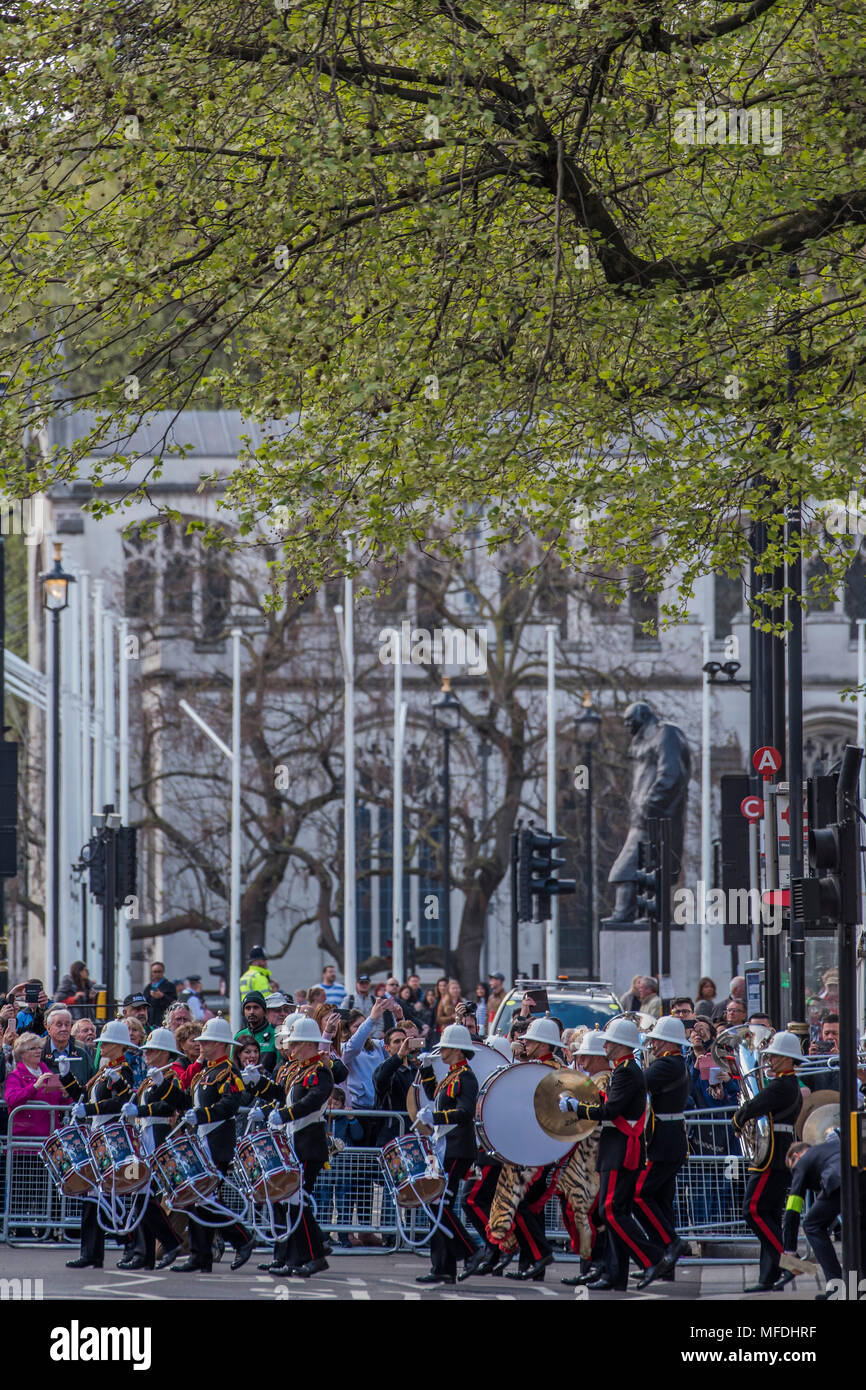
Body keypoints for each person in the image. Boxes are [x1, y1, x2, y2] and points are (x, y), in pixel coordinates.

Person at [560, 1015, 668, 1291]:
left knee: (610, 1210)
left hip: (619, 1148)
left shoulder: (625, 1071)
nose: (604, 1046)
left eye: (609, 1042)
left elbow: (610, 1111)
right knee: (611, 1211)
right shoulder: (624, 1069)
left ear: (620, 1045)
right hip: (615, 1147)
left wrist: (577, 1108)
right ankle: (615, 1272)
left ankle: (652, 1258)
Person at [262, 1016, 348, 1277]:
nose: (292, 1048)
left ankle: (314, 1255)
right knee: (293, 1203)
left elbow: (314, 1100)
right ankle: (298, 1257)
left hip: (308, 1144)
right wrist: (258, 1084)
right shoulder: (301, 1071)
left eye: (297, 1043)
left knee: (298, 1203)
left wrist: (286, 1115)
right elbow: (283, 1094)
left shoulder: (319, 1072)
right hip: (296, 1143)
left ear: (309, 1044)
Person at [57, 1018, 140, 1270]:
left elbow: (120, 1102)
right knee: (94, 1197)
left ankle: (132, 1245)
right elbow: (83, 1095)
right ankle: (92, 1251)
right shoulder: (105, 1070)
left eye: (107, 1043)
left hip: (111, 1137)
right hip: (98, 1136)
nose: (100, 1046)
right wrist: (66, 1076)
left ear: (119, 1046)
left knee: (110, 1196)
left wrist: (89, 1108)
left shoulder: (121, 1071)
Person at [174, 1016, 254, 1274]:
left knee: (206, 1199)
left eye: (206, 1042)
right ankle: (201, 1255)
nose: (201, 1045)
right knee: (199, 1199)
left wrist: (202, 1115)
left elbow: (230, 1104)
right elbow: (188, 1091)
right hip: (202, 1140)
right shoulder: (206, 1070)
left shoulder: (228, 1071)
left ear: (220, 1044)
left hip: (217, 1140)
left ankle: (241, 1237)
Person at [733, 1030, 804, 1293]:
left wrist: (738, 1118)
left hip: (772, 1156)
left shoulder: (782, 1085)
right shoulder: (786, 1083)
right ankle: (769, 1277)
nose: (770, 1060)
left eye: (774, 1056)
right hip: (776, 1153)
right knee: (769, 1214)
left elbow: (754, 1106)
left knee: (753, 1210)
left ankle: (788, 1262)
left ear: (787, 1059)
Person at [117, 1026, 186, 1270]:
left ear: (165, 1053)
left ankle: (168, 1243)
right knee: (140, 1196)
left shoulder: (170, 1077)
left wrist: (141, 1110)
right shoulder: (149, 1078)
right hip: (144, 1138)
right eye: (146, 1050)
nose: (146, 1054)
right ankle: (143, 1252)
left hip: (159, 1138)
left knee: (144, 1196)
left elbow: (168, 1106)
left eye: (153, 1050)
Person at [415, 1022, 479, 1285]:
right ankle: (443, 1266)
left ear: (456, 1050)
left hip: (457, 1148)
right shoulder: (452, 1075)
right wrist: (427, 1070)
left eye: (445, 1048)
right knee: (436, 1205)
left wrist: (436, 1116)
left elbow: (464, 1112)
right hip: (445, 1147)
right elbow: (434, 1094)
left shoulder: (465, 1077)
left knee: (440, 1205)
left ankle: (472, 1250)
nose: (440, 1051)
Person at [633, 1015, 690, 1282]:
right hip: (669, 1140)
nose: (652, 1043)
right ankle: (662, 1263)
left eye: (656, 1039)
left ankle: (670, 1243)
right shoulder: (672, 1063)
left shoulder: (668, 1064)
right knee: (661, 1201)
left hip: (663, 1143)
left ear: (668, 1042)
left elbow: (638, 1083)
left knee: (638, 1195)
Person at [559, 1031, 613, 1287]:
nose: (581, 1061)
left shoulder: (602, 1081)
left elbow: (596, 1116)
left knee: (585, 1211)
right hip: (588, 1153)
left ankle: (594, 1264)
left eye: (586, 1056)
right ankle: (591, 1265)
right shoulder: (594, 1079)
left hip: (593, 1153)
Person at [782, 1135, 842, 1293]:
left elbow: (793, 1208)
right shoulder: (830, 1147)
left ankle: (836, 1288)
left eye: (791, 1168)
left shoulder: (802, 1162)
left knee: (811, 1225)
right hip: (858, 1173)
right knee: (860, 1228)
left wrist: (789, 1250)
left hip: (838, 1180)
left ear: (796, 1155)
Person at [4, 1032, 66, 1137]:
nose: (38, 1051)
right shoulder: (15, 1076)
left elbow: (62, 1104)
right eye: (33, 1048)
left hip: (50, 1140)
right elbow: (11, 1099)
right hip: (25, 1142)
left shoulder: (48, 1074)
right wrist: (34, 1087)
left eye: (39, 1048)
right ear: (21, 1053)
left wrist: (65, 1094)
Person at [41, 1007, 95, 1088]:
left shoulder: (81, 1051)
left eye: (67, 1024)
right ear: (48, 1028)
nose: (64, 1028)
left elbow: (91, 1081)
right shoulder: (39, 1051)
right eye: (59, 1025)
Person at [234, 990, 278, 1072]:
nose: (251, 1012)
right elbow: (234, 1064)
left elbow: (280, 1065)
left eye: (256, 1007)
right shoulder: (239, 1035)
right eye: (248, 1008)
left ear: (265, 1011)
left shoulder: (276, 1033)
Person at [143, 961, 177, 1026]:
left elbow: (174, 1003)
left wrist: (162, 996)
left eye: (159, 971)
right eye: (155, 972)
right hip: (150, 1020)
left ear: (163, 972)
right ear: (152, 973)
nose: (157, 974)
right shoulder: (148, 987)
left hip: (163, 1019)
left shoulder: (169, 986)